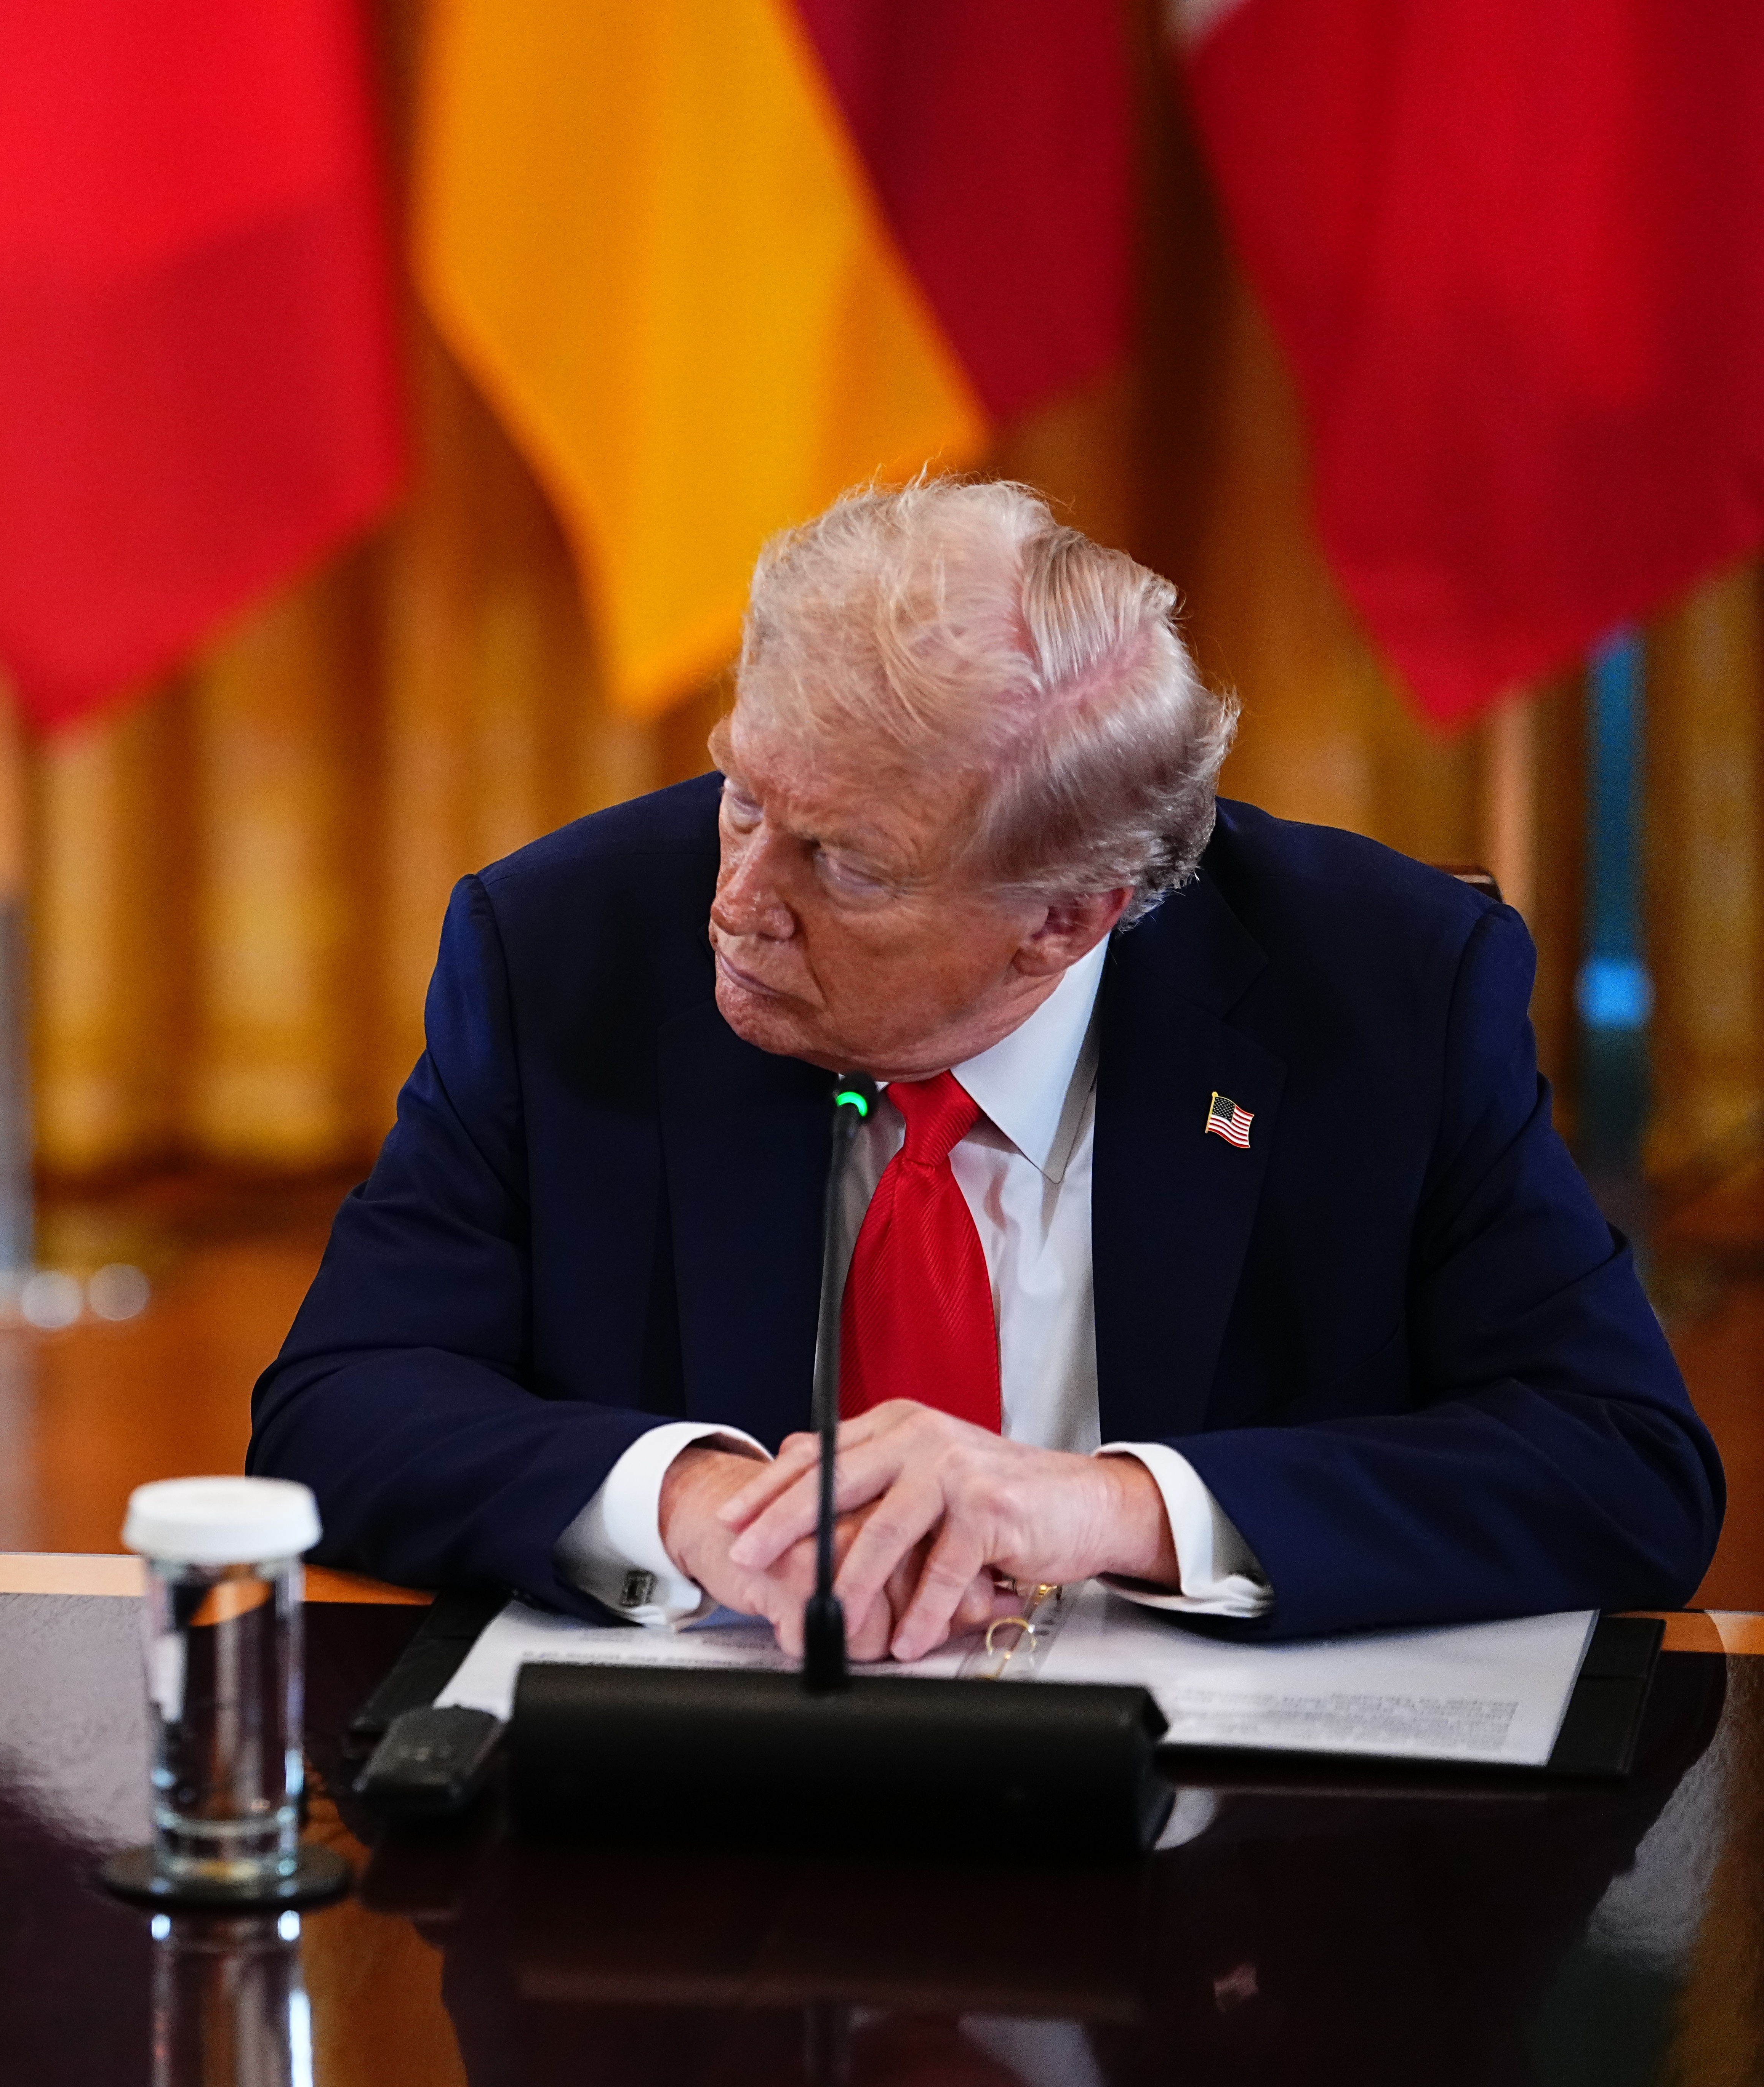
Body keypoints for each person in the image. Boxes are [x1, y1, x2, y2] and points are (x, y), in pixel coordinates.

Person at [253, 479, 1719, 1653]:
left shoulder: (1383, 993)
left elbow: (1620, 1465)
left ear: (1067, 918)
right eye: (742, 795)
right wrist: (694, 1504)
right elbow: (339, 1405)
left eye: (846, 864)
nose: (740, 902)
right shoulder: (563, 948)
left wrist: (1110, 1509)